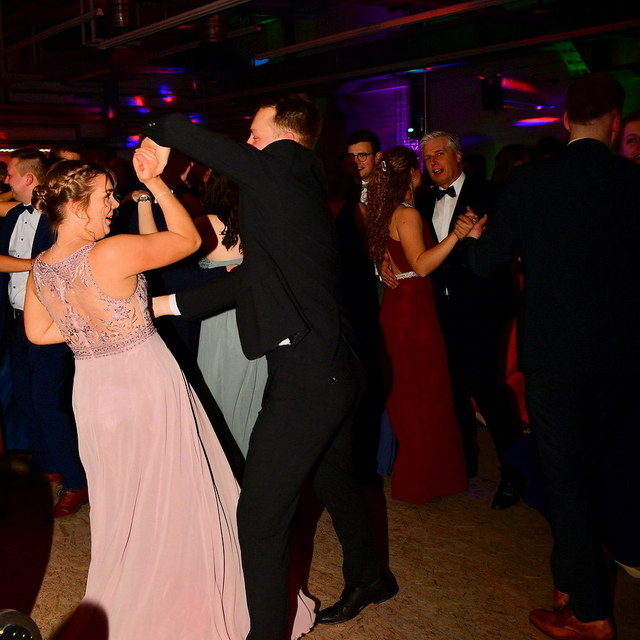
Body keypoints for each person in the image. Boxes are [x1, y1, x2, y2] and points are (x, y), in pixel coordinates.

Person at [22, 154, 312, 639]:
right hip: (141, 383)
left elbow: (38, 332)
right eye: (105, 196)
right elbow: (189, 240)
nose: (114, 204)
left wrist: (93, 328)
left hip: (94, 393)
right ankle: (185, 599)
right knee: (176, 493)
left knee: (125, 502)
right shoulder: (110, 252)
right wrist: (157, 184)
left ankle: (136, 591)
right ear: (75, 205)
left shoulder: (42, 267)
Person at [147, 93, 396, 640]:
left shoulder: (284, 166)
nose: (248, 144)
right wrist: (167, 305)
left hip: (311, 376)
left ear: (283, 138)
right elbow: (255, 277)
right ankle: (370, 577)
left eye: (254, 135)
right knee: (334, 479)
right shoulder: (292, 187)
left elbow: (174, 124)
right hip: (335, 365)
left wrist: (159, 137)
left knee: (259, 519)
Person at [464, 72, 640, 640]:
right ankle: (570, 581)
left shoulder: (530, 181)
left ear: (565, 121)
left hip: (555, 355)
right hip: (621, 357)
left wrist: (477, 239)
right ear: (615, 123)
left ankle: (591, 615)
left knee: (566, 478)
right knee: (582, 470)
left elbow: (484, 263)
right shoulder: (633, 182)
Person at [415, 131, 523, 510]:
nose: (434, 162)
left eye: (440, 154)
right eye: (428, 157)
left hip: (483, 307)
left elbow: (504, 249)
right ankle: (464, 463)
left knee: (485, 387)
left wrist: (474, 239)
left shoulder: (491, 193)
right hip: (440, 310)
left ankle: (514, 470)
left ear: (458, 156)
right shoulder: (422, 199)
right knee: (452, 388)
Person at [365, 145, 470, 504]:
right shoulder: (407, 214)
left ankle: (424, 480)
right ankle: (420, 483)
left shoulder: (386, 212)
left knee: (413, 397)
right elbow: (421, 265)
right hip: (413, 315)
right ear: (412, 174)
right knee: (423, 398)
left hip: (402, 309)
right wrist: (457, 235)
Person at [1, 148, 87, 517]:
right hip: (15, 321)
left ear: (29, 178)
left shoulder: (57, 219)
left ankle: (77, 481)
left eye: (10, 173)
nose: (6, 179)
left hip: (52, 324)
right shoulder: (12, 215)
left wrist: (34, 266)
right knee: (26, 398)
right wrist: (31, 264)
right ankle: (49, 465)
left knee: (48, 402)